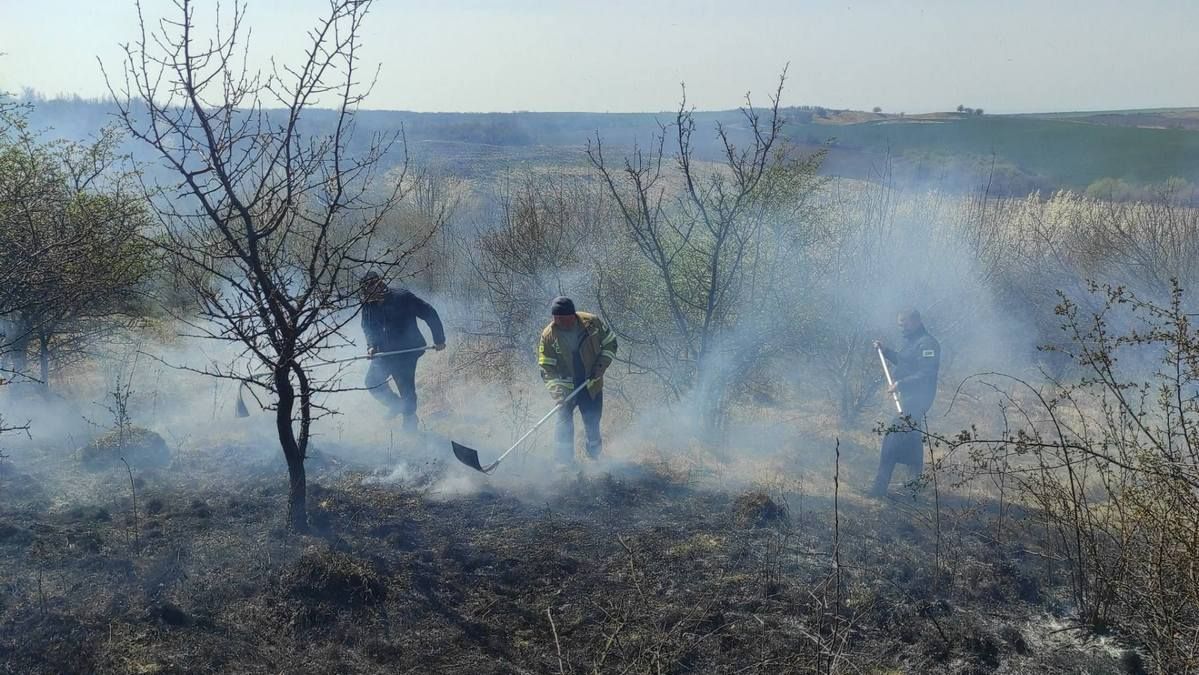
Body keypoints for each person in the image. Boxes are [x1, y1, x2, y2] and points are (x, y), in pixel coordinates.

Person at [537, 296, 617, 466]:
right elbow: (546, 368)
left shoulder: (592, 323)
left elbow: (611, 343)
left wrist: (600, 366)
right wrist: (558, 393)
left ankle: (594, 458)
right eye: (555, 318)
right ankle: (564, 464)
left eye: (562, 319)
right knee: (563, 425)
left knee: (592, 422)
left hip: (591, 385)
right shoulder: (548, 336)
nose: (558, 322)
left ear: (572, 316)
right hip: (566, 390)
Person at [359, 272, 445, 430]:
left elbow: (429, 313)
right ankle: (397, 405)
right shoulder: (367, 304)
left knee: (406, 388)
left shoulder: (402, 297)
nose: (372, 291)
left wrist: (439, 339)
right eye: (368, 289)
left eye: (375, 286)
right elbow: (367, 327)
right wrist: (371, 345)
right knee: (372, 383)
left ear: (380, 284)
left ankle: (410, 421)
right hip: (383, 353)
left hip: (407, 351)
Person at [869, 308, 940, 497]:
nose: (901, 328)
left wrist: (901, 383)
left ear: (916, 321)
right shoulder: (912, 342)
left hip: (917, 400)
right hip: (908, 399)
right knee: (912, 441)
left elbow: (926, 373)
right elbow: (904, 362)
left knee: (891, 441)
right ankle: (913, 489)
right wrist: (886, 351)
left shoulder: (927, 344)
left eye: (905, 324)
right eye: (899, 324)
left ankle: (878, 490)